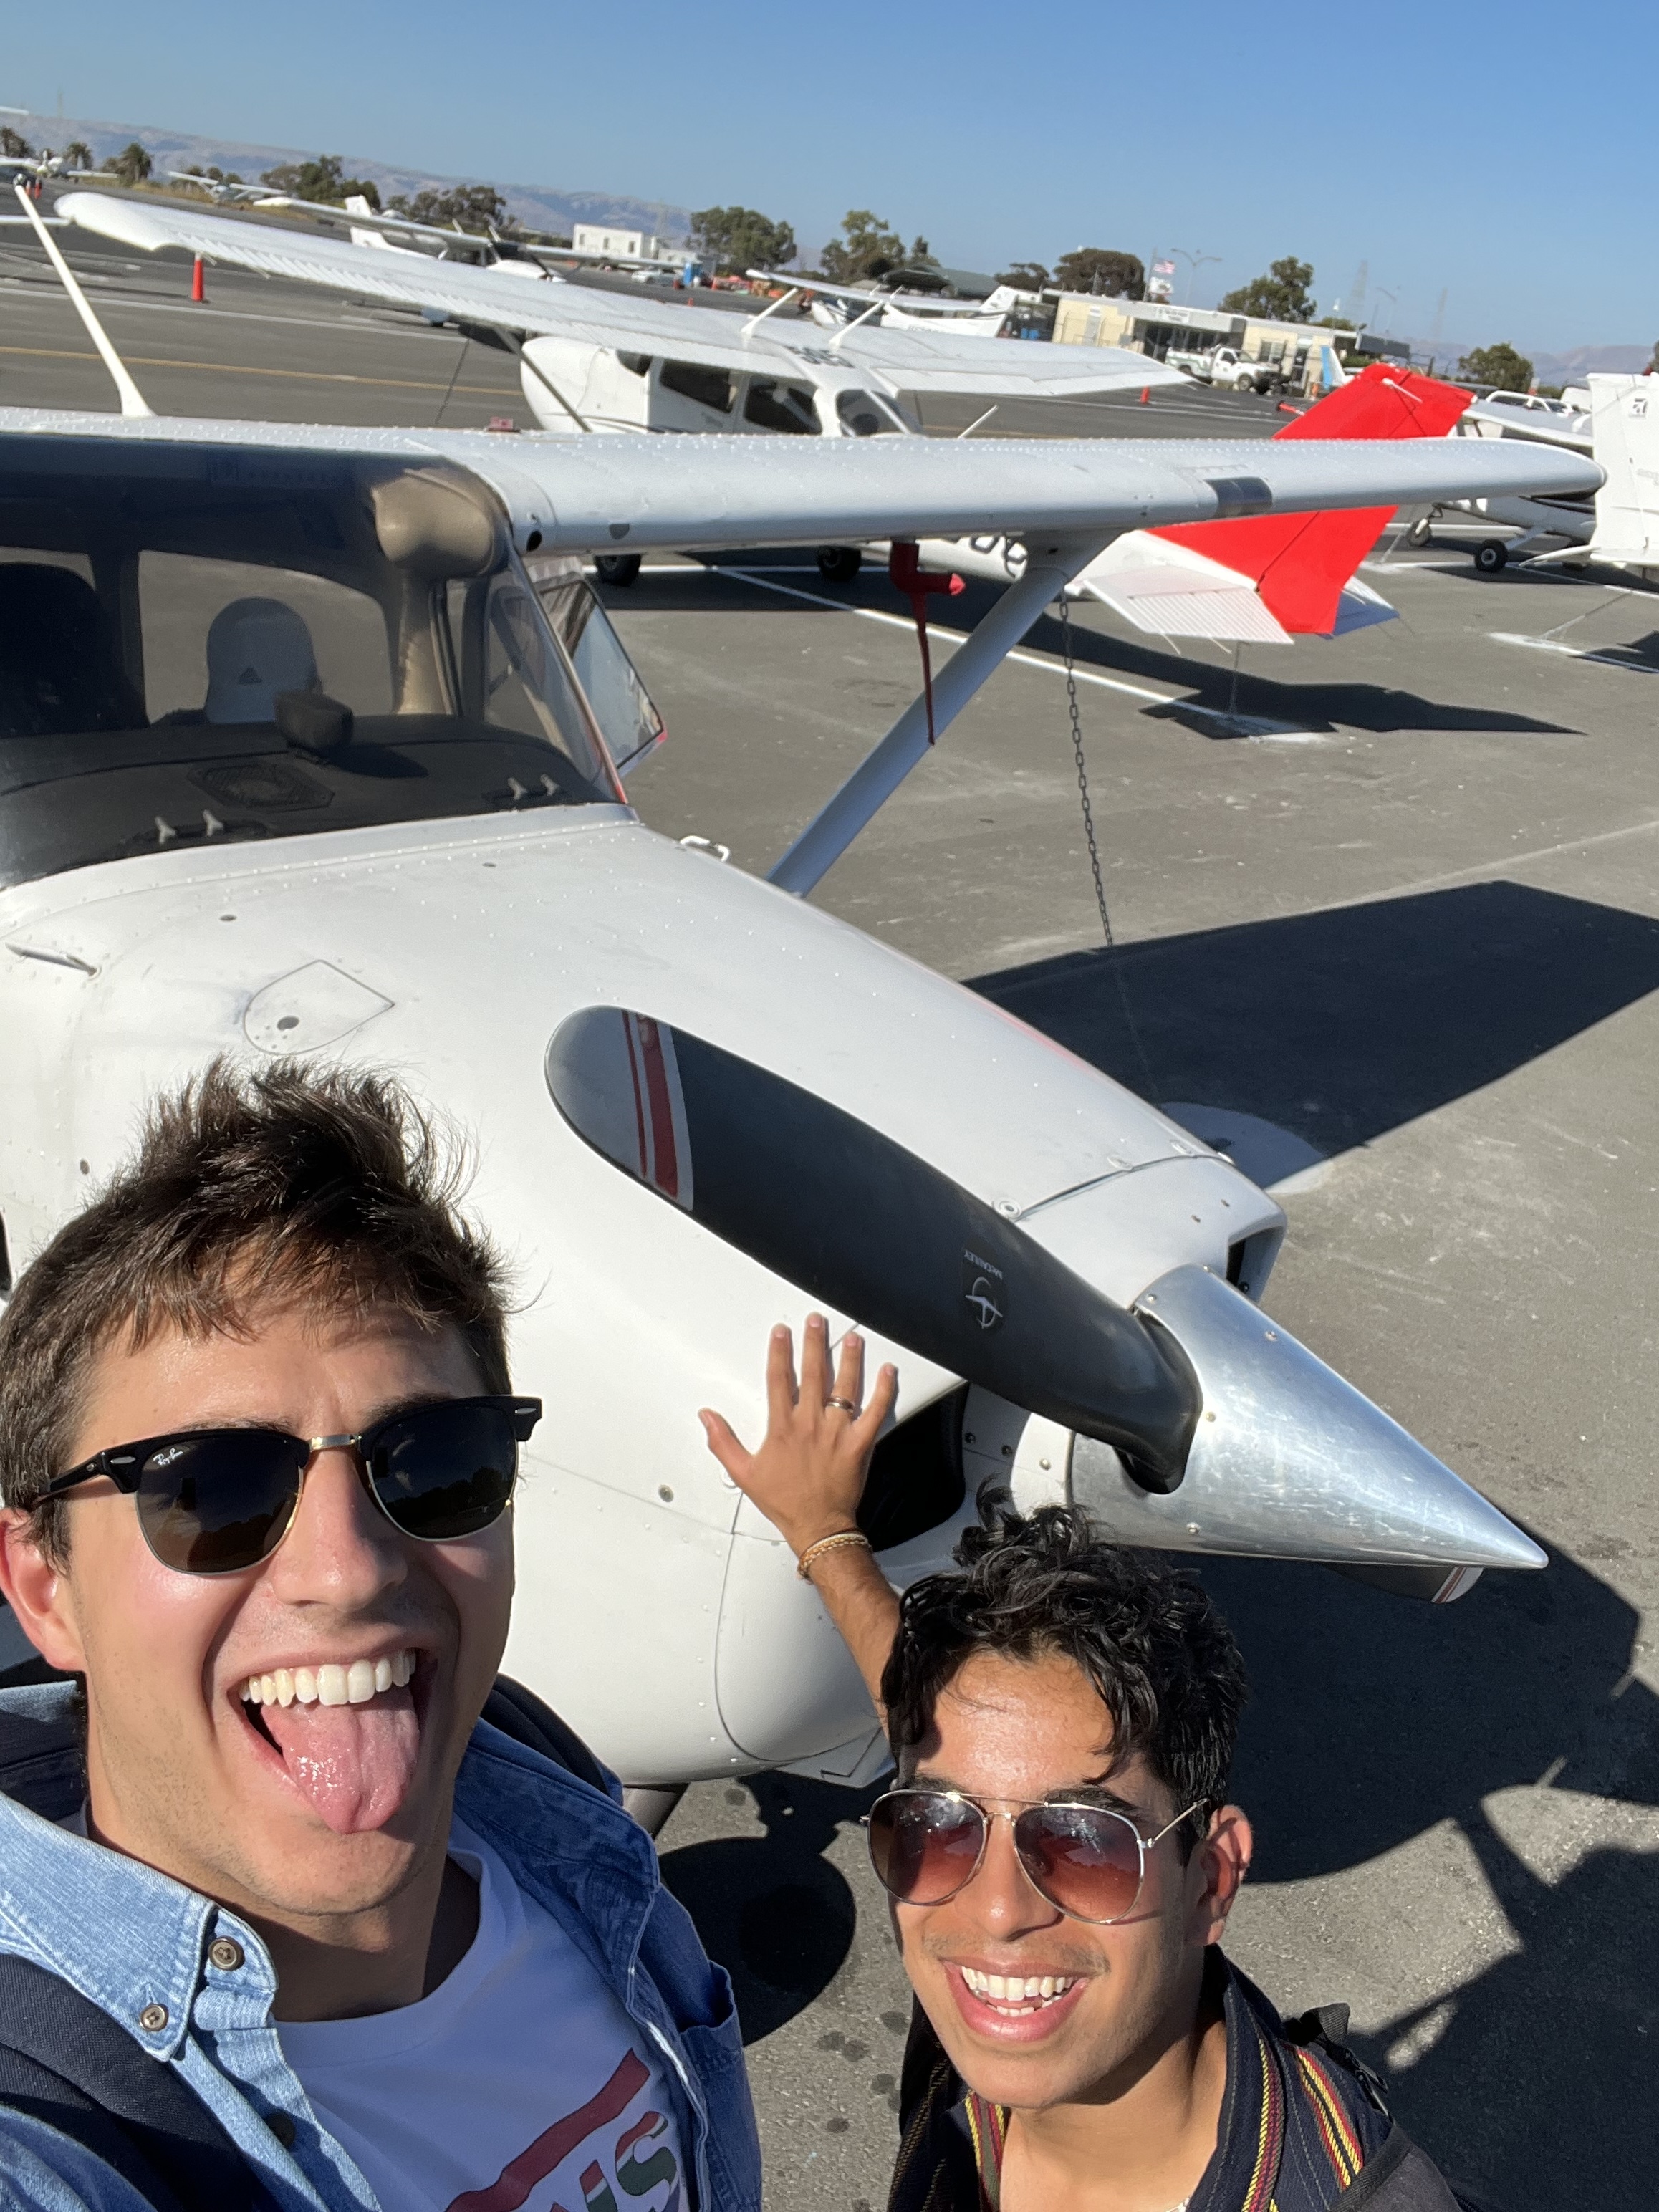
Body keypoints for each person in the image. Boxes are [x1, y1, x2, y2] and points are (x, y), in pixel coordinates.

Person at [0, 1061, 758, 2212]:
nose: (349, 1568)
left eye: (433, 1462)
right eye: (211, 1488)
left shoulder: (551, 1801)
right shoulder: (49, 2133)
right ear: (44, 1588)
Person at [701, 1316, 1476, 2212]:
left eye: (1082, 1841)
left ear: (1211, 1880)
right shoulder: (994, 1975)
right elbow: (943, 1735)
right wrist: (825, 1532)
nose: (995, 1911)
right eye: (935, 1826)